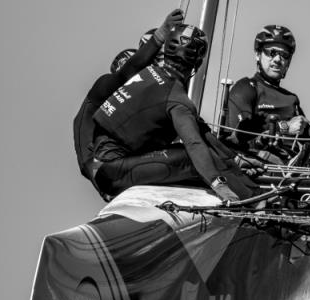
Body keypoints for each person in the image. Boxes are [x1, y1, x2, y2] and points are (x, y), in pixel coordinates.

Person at [91, 24, 260, 202]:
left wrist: (236, 159)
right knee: (194, 158)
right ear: (198, 62)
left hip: (103, 165)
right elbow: (194, 144)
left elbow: (202, 132)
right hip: (113, 173)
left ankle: (249, 190)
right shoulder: (177, 99)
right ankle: (253, 201)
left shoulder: (149, 72)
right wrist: (219, 186)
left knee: (200, 154)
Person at [73, 9, 184, 197]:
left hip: (119, 164)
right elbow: (130, 69)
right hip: (102, 168)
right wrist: (162, 33)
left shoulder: (135, 102)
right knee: (188, 156)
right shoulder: (106, 86)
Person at [222, 25, 310, 163]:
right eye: (271, 52)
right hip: (258, 166)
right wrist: (285, 127)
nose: (278, 59)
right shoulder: (246, 88)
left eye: (284, 55)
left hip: (295, 167)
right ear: (258, 55)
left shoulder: (292, 99)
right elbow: (237, 137)